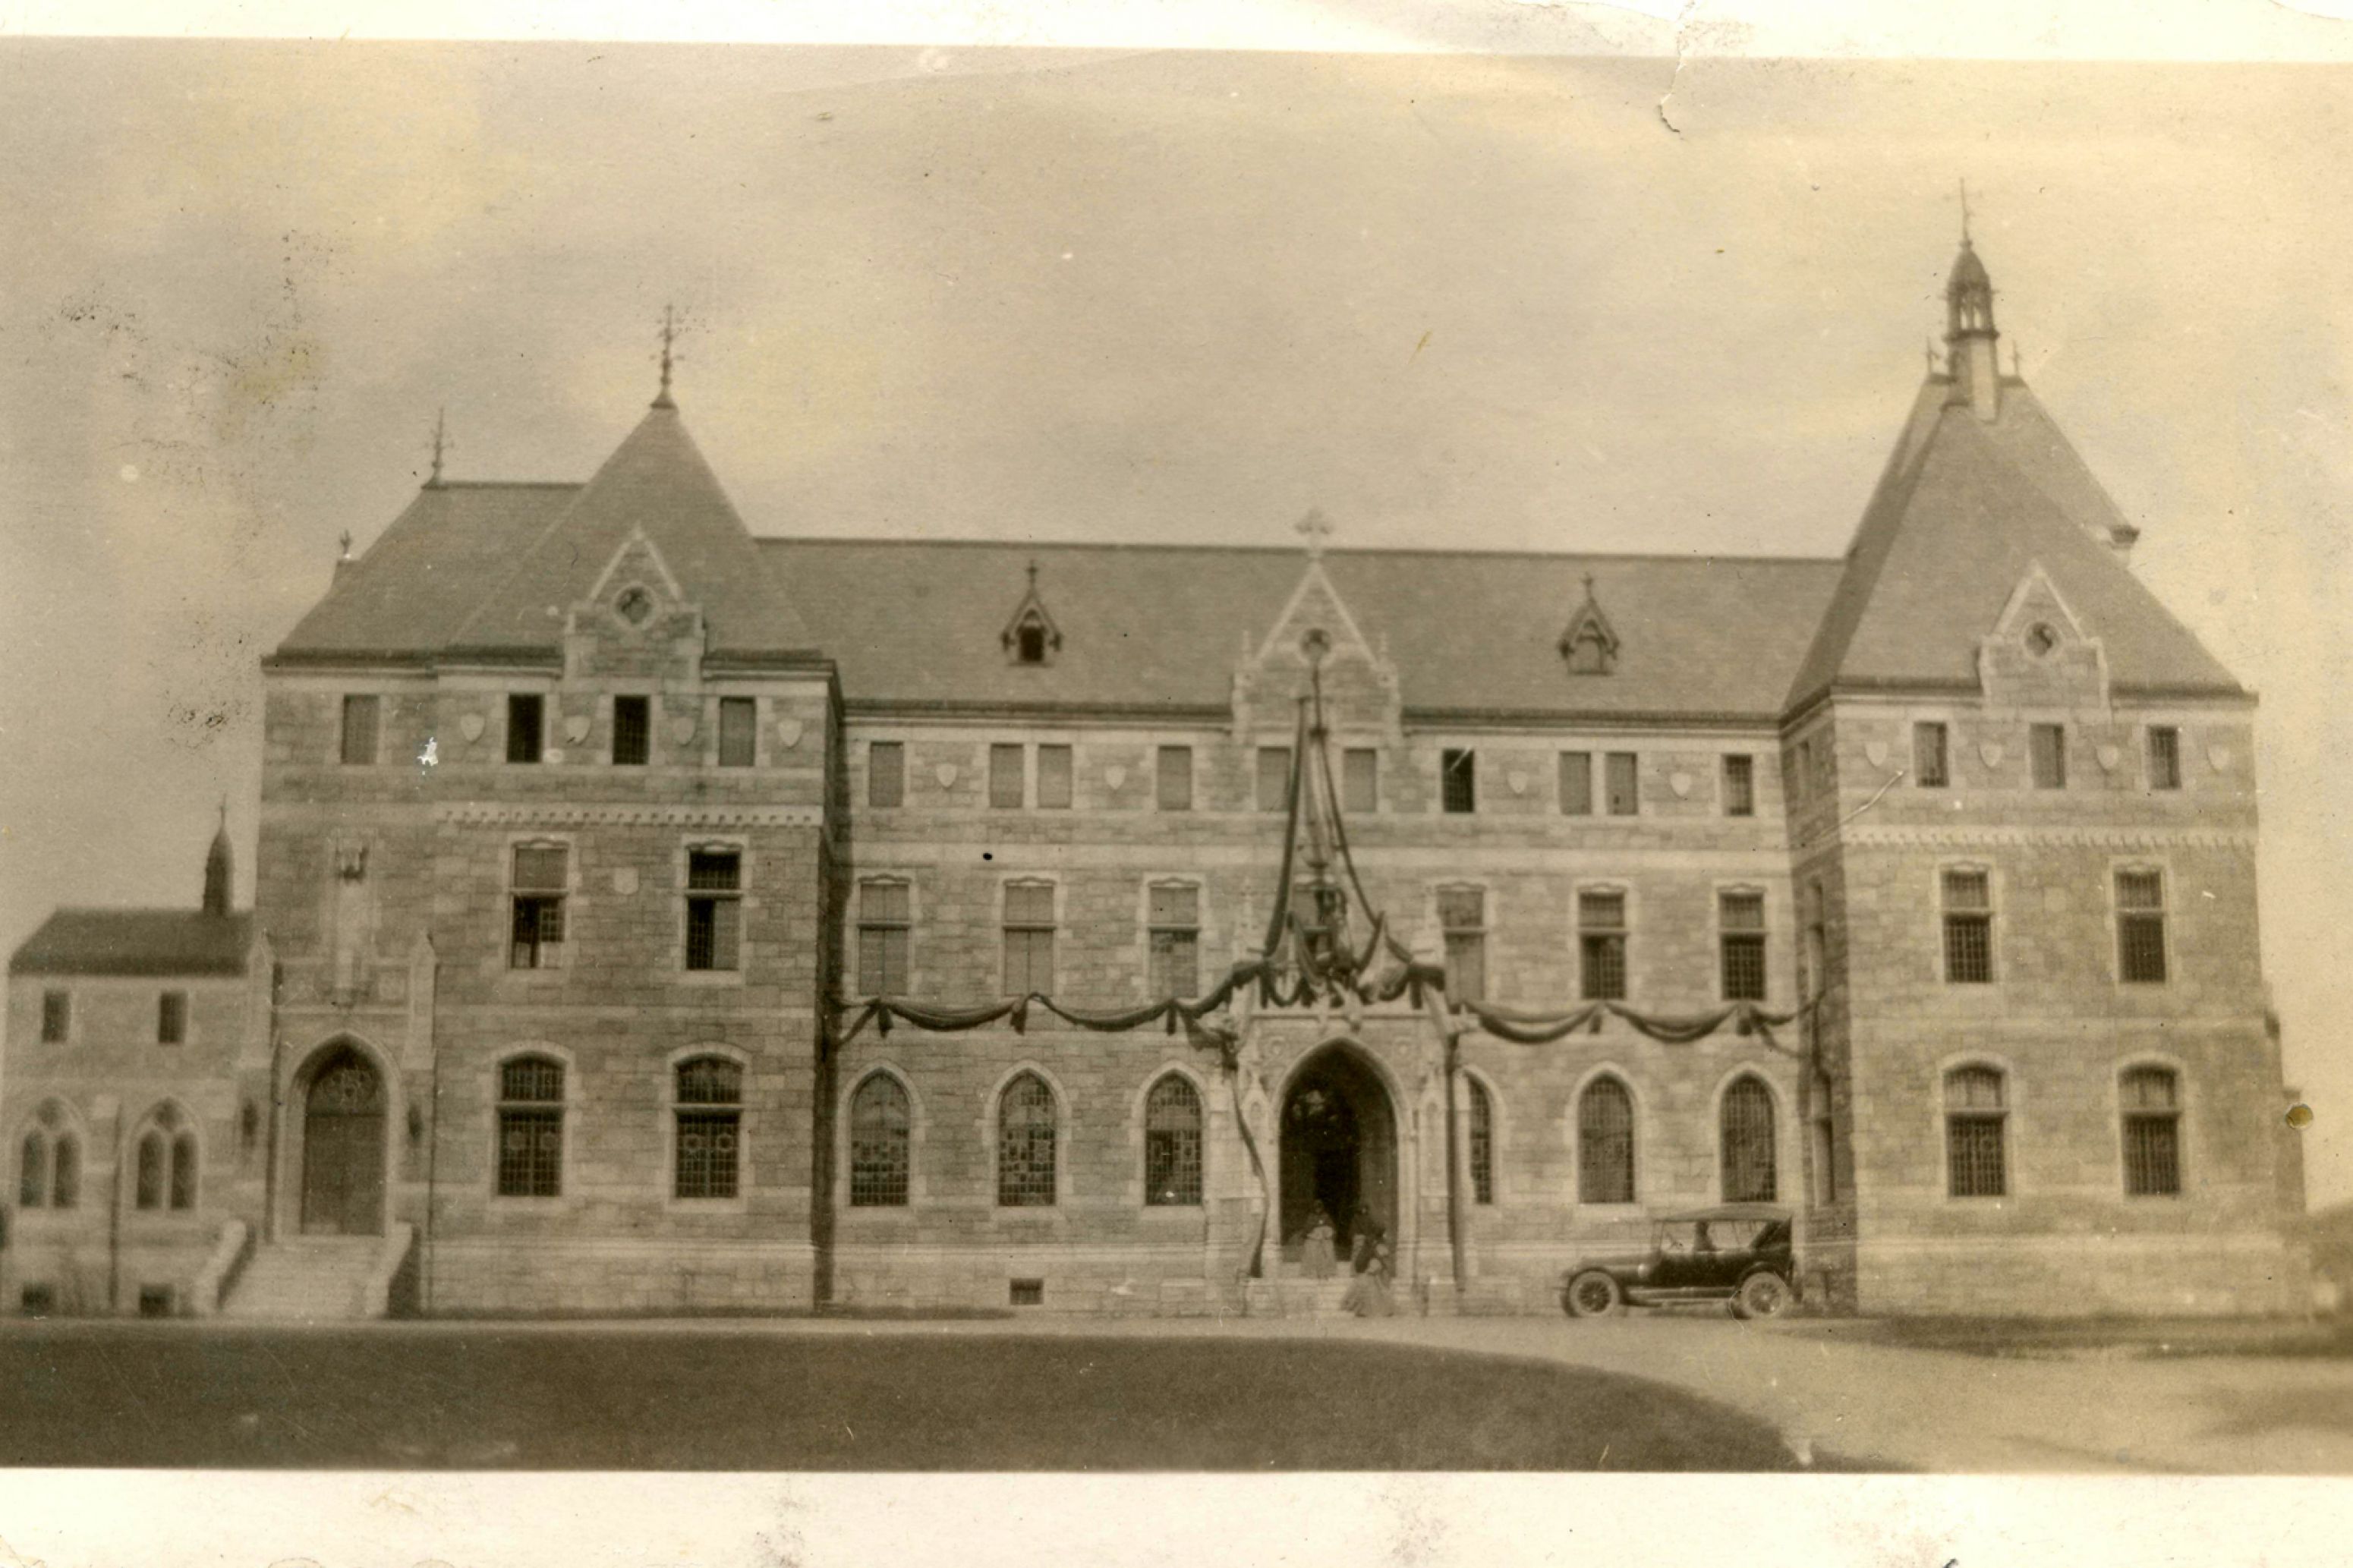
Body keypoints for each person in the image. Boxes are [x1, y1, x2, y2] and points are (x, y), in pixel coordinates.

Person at [1343, 1236, 1395, 1318]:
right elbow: (1376, 1265)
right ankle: (1377, 1311)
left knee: (1368, 1294)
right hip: (1371, 1276)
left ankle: (1363, 1311)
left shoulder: (1365, 1252)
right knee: (1375, 1294)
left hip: (1365, 1276)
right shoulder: (1373, 1253)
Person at [1300, 1208, 1337, 1280]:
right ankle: (1314, 1273)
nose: (1318, 1210)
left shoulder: (1326, 1216)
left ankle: (1326, 1273)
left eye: (1320, 1208)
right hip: (1313, 1241)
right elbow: (1308, 1228)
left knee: (1326, 1256)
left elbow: (1331, 1228)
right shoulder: (1311, 1216)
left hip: (1325, 1241)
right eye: (1317, 1208)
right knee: (1313, 1257)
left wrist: (1327, 1234)